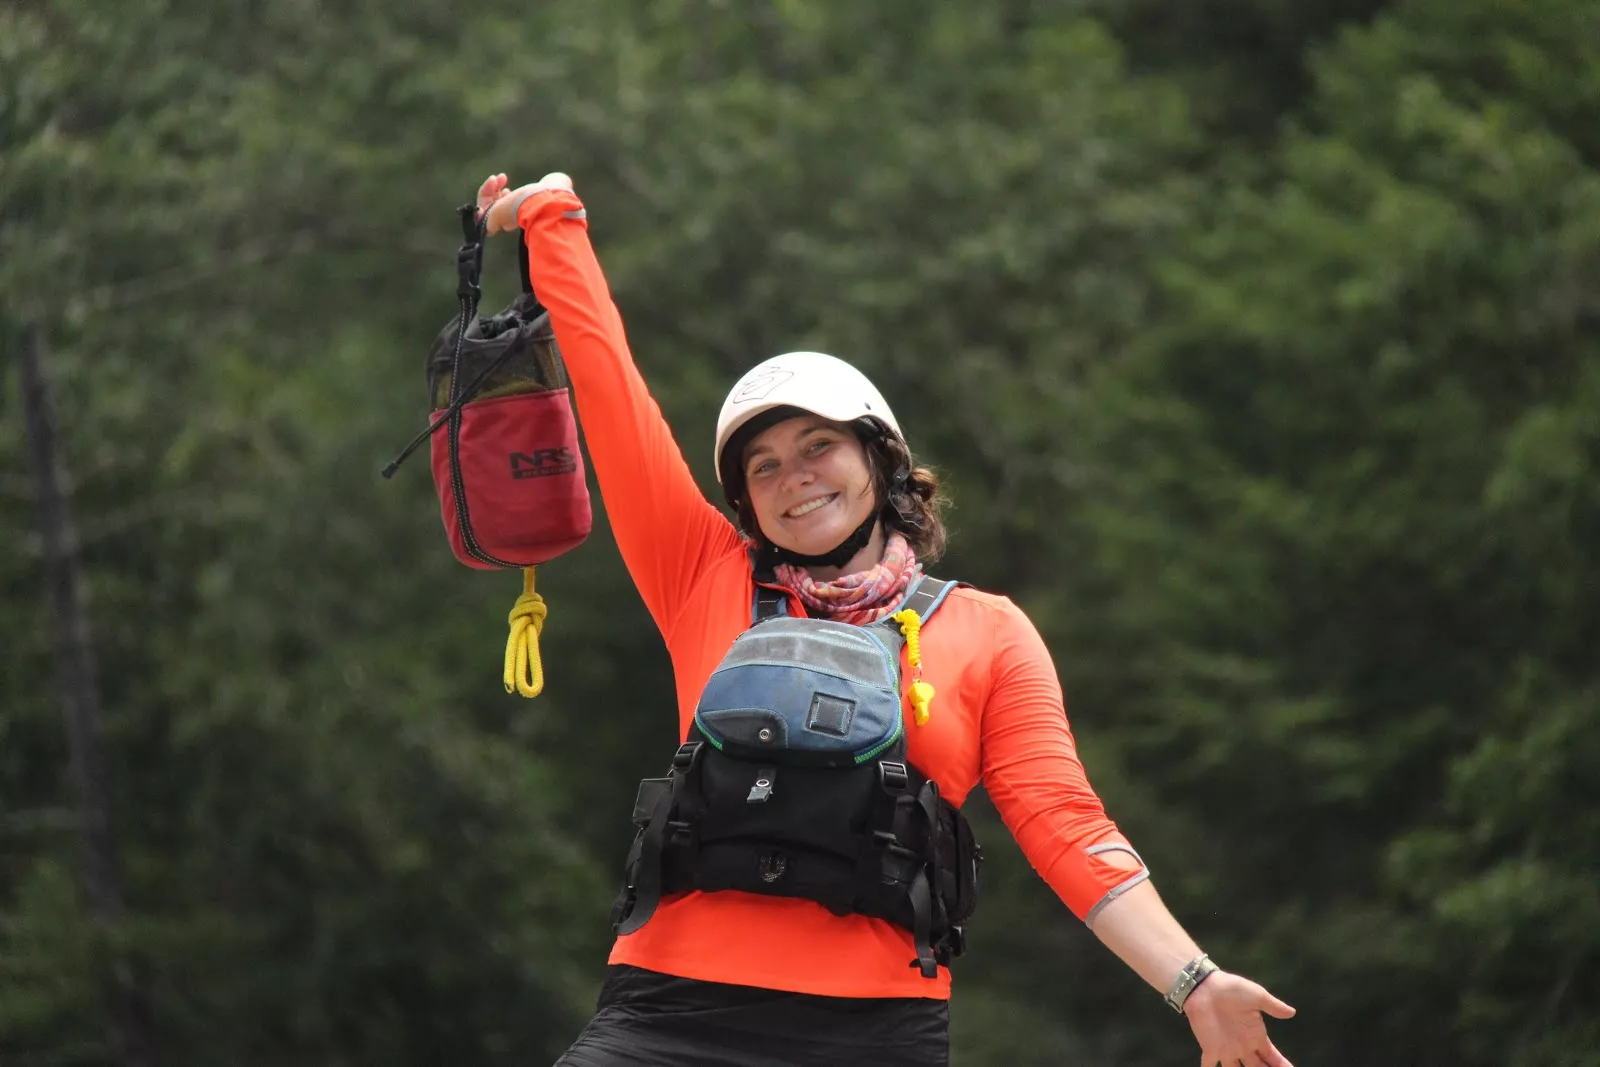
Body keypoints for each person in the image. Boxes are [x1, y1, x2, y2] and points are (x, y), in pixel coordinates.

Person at [476, 171, 1297, 1067]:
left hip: (874, 1034)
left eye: (819, 445)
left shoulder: (989, 632)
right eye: (764, 465)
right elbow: (612, 393)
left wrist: (1194, 981)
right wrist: (554, 224)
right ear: (746, 501)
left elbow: (1068, 825)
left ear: (880, 459)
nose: (795, 476)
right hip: (668, 1016)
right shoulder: (702, 573)